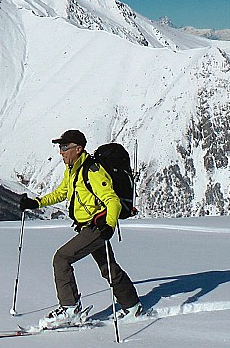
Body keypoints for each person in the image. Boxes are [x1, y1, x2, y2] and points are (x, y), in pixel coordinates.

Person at [20, 129, 144, 328]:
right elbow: (62, 193)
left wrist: (109, 226)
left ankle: (70, 308)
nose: (61, 152)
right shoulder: (73, 170)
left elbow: (112, 201)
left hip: (97, 227)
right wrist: (36, 203)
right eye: (60, 147)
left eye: (64, 147)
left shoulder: (92, 170)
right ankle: (132, 306)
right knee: (108, 268)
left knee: (62, 258)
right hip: (89, 226)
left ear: (78, 149)